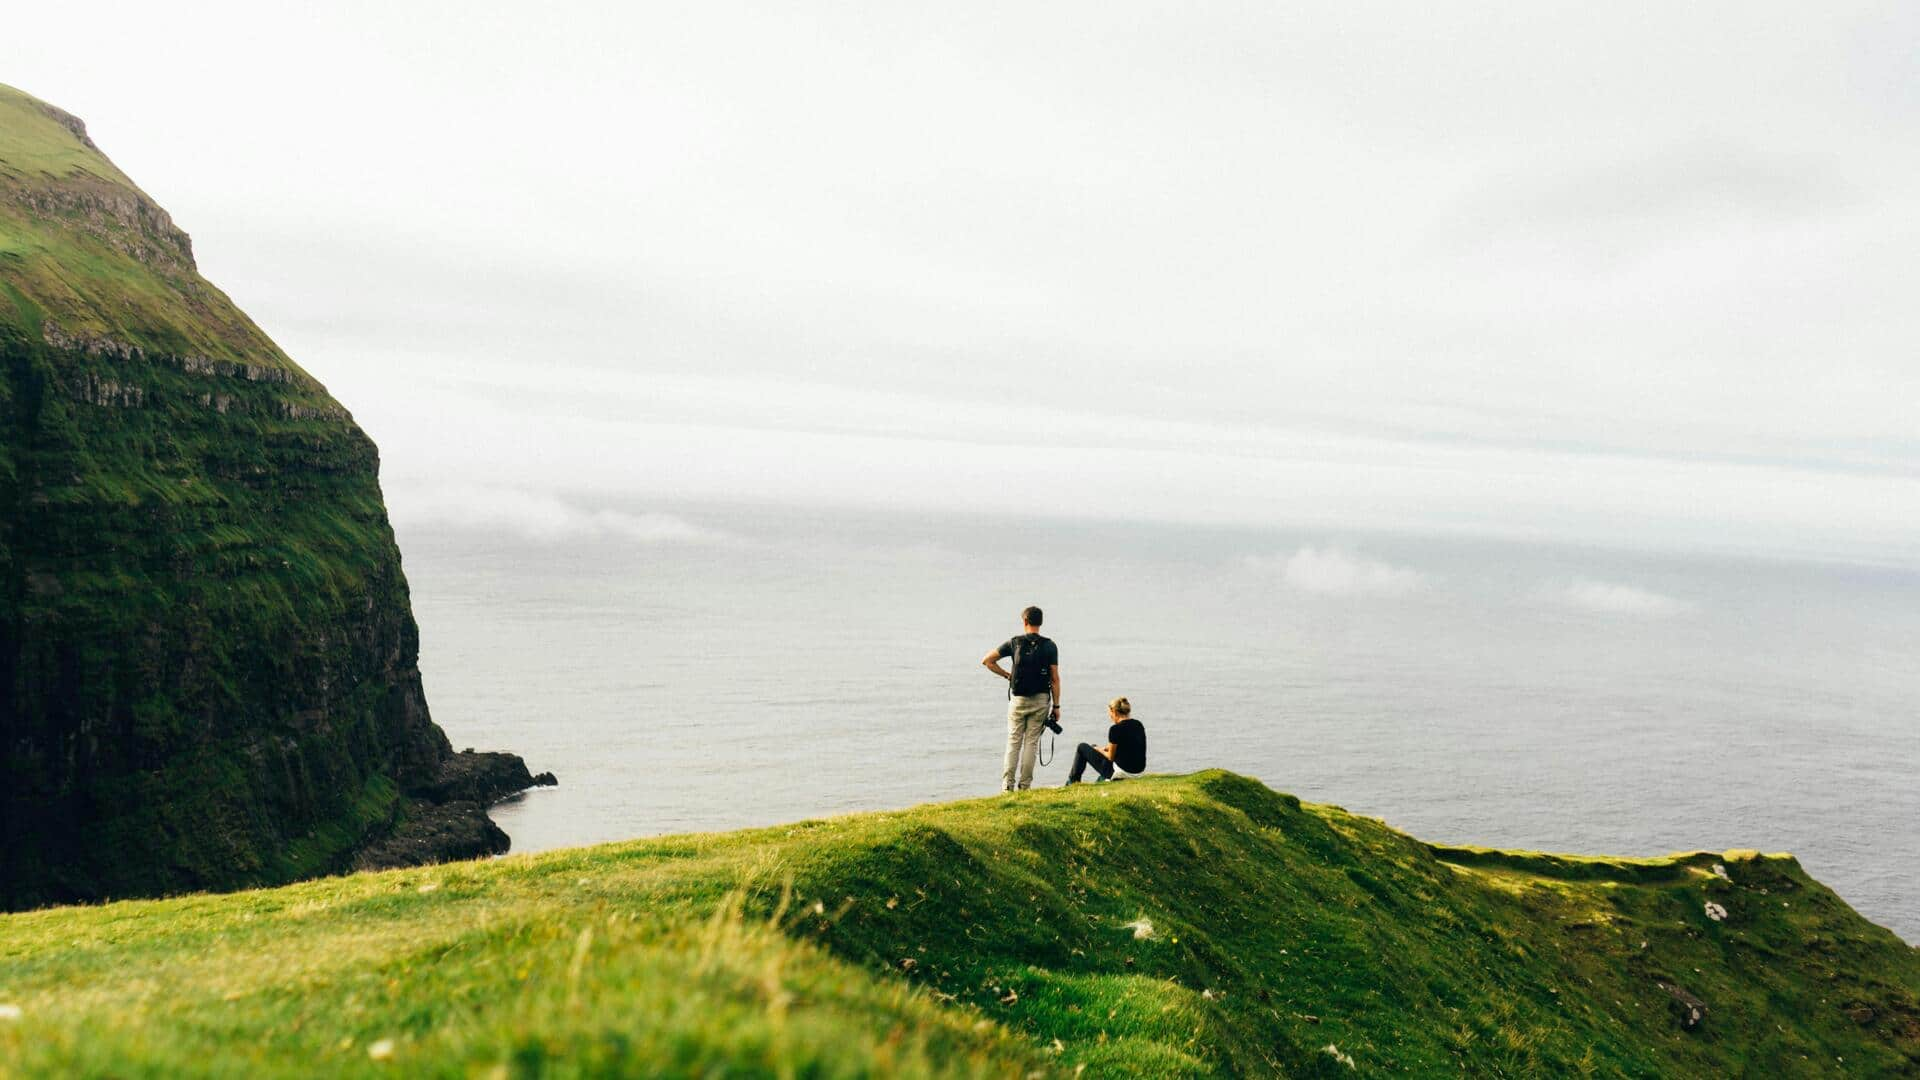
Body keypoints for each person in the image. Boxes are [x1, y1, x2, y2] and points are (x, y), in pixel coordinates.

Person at [982, 605, 1060, 792]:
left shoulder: (1014, 643)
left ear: (1024, 621)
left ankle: (1007, 786)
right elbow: (1055, 678)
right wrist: (1056, 706)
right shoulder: (1050, 646)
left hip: (1018, 700)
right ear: (1040, 623)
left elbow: (987, 661)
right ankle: (1025, 786)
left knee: (1013, 742)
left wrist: (1007, 675)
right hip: (1041, 699)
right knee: (1031, 743)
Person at [1066, 697, 1146, 785]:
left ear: (1114, 712)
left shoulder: (1115, 729)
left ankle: (1072, 781)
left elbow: (1110, 757)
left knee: (1082, 747)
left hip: (1122, 773)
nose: (1110, 717)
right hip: (1138, 772)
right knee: (1094, 748)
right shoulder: (1138, 725)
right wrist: (1103, 749)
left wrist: (1098, 749)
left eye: (1110, 714)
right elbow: (1128, 744)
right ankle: (1102, 778)